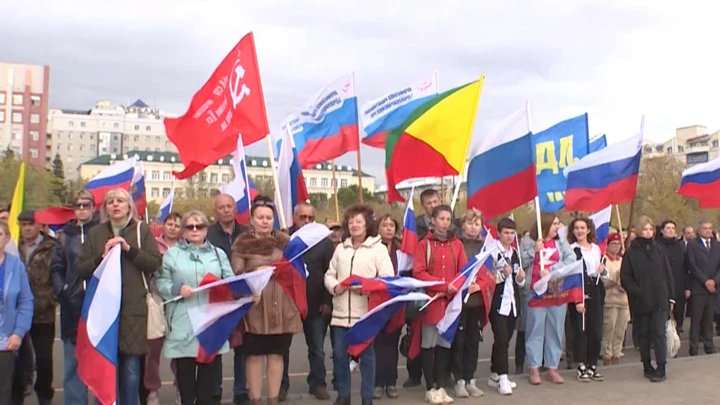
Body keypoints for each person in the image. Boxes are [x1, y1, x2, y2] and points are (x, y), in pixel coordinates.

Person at [75, 188, 161, 405]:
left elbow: (154, 262)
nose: (115, 205)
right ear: (105, 208)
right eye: (110, 201)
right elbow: (81, 269)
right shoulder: (96, 233)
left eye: (120, 201)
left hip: (133, 310)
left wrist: (129, 249)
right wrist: (101, 258)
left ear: (129, 206)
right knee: (104, 371)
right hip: (103, 313)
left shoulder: (142, 231)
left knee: (131, 373)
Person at [157, 210, 234, 405]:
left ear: (206, 229)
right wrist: (176, 289)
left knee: (208, 380)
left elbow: (231, 280)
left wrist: (226, 287)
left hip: (211, 321)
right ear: (183, 231)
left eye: (199, 226)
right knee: (185, 379)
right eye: (190, 226)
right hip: (184, 319)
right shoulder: (172, 255)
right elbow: (161, 281)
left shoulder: (219, 253)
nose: (194, 230)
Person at [231, 196, 302, 405]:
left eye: (269, 217)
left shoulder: (285, 241)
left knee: (276, 354)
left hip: (281, 304)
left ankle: (273, 399)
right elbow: (236, 272)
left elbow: (297, 270)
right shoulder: (242, 243)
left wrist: (282, 269)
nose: (265, 221)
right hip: (254, 304)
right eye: (260, 217)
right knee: (253, 355)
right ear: (251, 220)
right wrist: (255, 271)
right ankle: (255, 399)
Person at [325, 204, 395, 405]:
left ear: (367, 225)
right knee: (339, 356)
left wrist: (366, 288)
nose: (354, 225)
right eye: (351, 221)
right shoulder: (340, 248)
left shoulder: (378, 249)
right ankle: (343, 395)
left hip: (365, 315)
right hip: (339, 314)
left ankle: (367, 397)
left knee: (367, 358)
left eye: (359, 221)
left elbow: (388, 279)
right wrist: (335, 287)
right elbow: (329, 274)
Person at [413, 205, 468, 405]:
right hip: (432, 301)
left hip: (450, 305)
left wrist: (456, 286)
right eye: (441, 218)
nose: (445, 222)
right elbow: (419, 272)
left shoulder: (457, 245)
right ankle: (430, 387)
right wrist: (444, 285)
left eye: (448, 219)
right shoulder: (424, 245)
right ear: (433, 221)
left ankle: (441, 385)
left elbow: (464, 272)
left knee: (445, 345)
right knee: (429, 344)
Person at [50, 190, 100, 405]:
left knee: (101, 363)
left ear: (93, 207)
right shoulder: (64, 235)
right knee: (73, 365)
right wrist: (63, 291)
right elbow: (56, 268)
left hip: (99, 306)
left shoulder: (102, 232)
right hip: (72, 307)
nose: (81, 209)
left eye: (85, 205)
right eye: (77, 205)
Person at [524, 212, 578, 386]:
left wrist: (553, 270)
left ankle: (552, 367)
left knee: (555, 328)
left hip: (556, 292)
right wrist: (534, 252)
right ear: (545, 225)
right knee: (536, 328)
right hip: (535, 292)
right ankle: (533, 366)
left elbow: (571, 259)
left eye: (558, 223)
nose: (558, 226)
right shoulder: (529, 241)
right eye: (555, 224)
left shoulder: (561, 242)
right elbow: (520, 261)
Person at [620, 216, 675, 382]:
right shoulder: (631, 252)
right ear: (638, 231)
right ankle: (647, 365)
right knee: (643, 334)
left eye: (650, 229)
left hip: (659, 300)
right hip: (641, 301)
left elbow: (668, 274)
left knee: (659, 333)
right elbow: (626, 278)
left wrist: (671, 296)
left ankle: (661, 367)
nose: (648, 232)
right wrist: (638, 291)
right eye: (645, 229)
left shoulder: (658, 250)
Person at [207, 193, 249, 405]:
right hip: (218, 298)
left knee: (242, 347)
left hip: (242, 297)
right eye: (221, 207)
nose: (225, 210)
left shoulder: (247, 233)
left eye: (229, 206)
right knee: (217, 347)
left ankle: (241, 390)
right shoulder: (207, 234)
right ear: (215, 211)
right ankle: (215, 391)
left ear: (235, 209)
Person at [289, 203, 334, 401]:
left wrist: (327, 301)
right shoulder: (286, 239)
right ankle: (281, 385)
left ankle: (317, 384)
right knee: (282, 349)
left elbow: (329, 272)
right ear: (294, 218)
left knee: (317, 348)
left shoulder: (324, 242)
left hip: (316, 304)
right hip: (290, 303)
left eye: (310, 217)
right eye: (302, 217)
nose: (306, 221)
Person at [140, 212, 182, 405]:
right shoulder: (153, 244)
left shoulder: (186, 246)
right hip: (156, 301)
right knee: (152, 351)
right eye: (170, 223)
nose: (173, 227)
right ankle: (152, 391)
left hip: (179, 301)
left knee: (179, 350)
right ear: (164, 226)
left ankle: (181, 388)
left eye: (177, 224)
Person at [18, 210, 58, 405]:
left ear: (40, 225)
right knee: (18, 360)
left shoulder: (51, 247)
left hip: (43, 313)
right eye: (23, 224)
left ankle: (44, 396)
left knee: (44, 360)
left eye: (30, 224)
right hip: (16, 314)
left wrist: (50, 299)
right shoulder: (12, 246)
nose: (26, 228)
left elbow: (57, 275)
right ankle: (17, 394)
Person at [452, 209, 488, 398]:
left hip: (477, 302)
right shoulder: (455, 244)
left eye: (477, 223)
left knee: (473, 342)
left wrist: (479, 285)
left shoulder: (486, 247)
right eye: (470, 223)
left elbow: (490, 275)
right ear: (463, 225)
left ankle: (470, 378)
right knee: (459, 342)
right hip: (459, 302)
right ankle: (458, 380)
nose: (473, 227)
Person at [567, 217, 607, 382]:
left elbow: (601, 274)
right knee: (580, 330)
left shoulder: (596, 249)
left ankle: (592, 364)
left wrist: (603, 270)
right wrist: (577, 300)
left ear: (588, 230)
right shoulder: (571, 250)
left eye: (583, 228)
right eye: (576, 228)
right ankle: (581, 365)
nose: (580, 231)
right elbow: (570, 275)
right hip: (579, 289)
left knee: (595, 331)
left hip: (595, 288)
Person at [488, 217, 526, 395]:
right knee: (502, 340)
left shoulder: (515, 252)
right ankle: (503, 376)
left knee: (504, 339)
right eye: (506, 232)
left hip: (512, 303)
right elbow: (487, 279)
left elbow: (520, 282)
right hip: (497, 303)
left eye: (512, 233)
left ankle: (495, 373)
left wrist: (520, 277)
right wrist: (502, 275)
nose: (509, 236)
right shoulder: (492, 251)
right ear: (499, 233)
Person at [0, 221, 34, 405]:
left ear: (6, 239)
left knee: (4, 393)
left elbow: (25, 301)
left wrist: (18, 333)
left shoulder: (16, 266)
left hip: (5, 340)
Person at [373, 214, 403, 399]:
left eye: (392, 225)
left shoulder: (402, 249)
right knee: (378, 344)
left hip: (397, 303)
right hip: (377, 302)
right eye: (385, 225)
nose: (389, 228)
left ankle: (391, 383)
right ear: (378, 228)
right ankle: (377, 383)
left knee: (392, 344)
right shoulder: (372, 248)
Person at [686, 220, 720, 356]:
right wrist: (705, 281)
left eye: (710, 228)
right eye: (705, 228)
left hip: (713, 288)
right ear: (699, 230)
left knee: (709, 318)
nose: (707, 231)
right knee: (696, 318)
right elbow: (692, 265)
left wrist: (715, 281)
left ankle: (709, 345)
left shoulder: (717, 245)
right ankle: (693, 347)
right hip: (698, 287)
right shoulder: (692, 245)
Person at [657, 221, 690, 333]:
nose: (671, 230)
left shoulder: (680, 246)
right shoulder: (657, 246)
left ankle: (677, 330)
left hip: (679, 283)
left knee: (679, 310)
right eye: (668, 228)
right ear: (662, 231)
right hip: (662, 284)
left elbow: (686, 267)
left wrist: (687, 286)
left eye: (673, 228)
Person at [601, 233, 628, 365]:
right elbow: (602, 282)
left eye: (618, 244)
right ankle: (606, 354)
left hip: (623, 300)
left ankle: (617, 352)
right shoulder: (603, 260)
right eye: (613, 244)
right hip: (610, 299)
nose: (616, 247)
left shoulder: (623, 260)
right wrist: (614, 280)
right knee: (609, 329)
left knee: (620, 329)